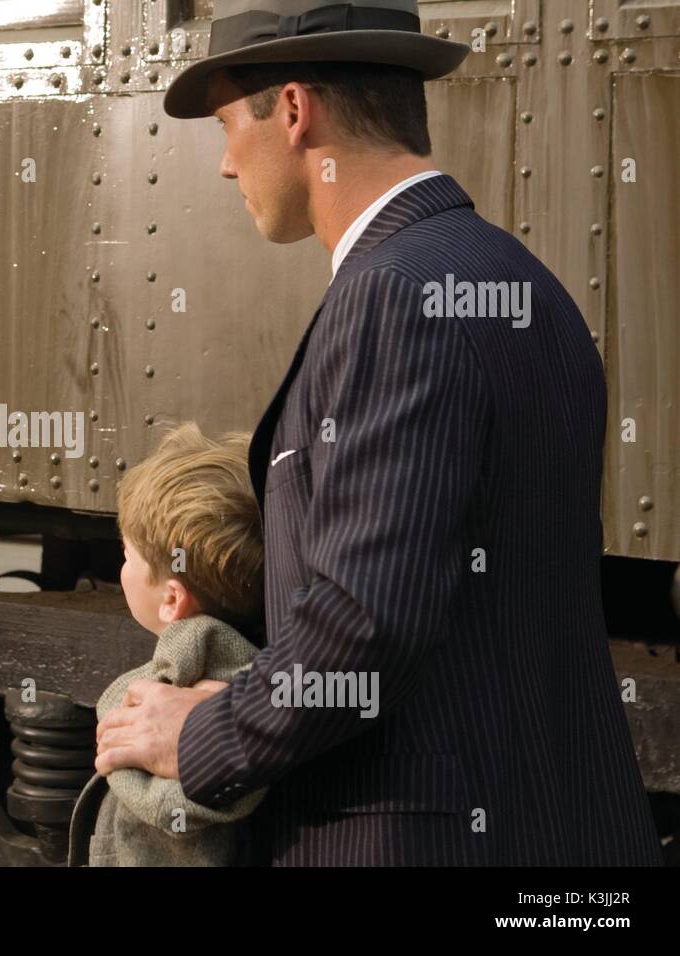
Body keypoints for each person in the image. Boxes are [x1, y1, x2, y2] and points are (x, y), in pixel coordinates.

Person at [94, 0, 662, 865]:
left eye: (224, 126)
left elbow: (366, 619)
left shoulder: (392, 297)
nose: (220, 166)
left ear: (293, 111)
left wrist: (205, 735)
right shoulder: (525, 285)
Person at [67, 424, 268, 866]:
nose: (121, 568)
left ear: (172, 599)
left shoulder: (179, 687)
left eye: (127, 556)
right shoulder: (252, 671)